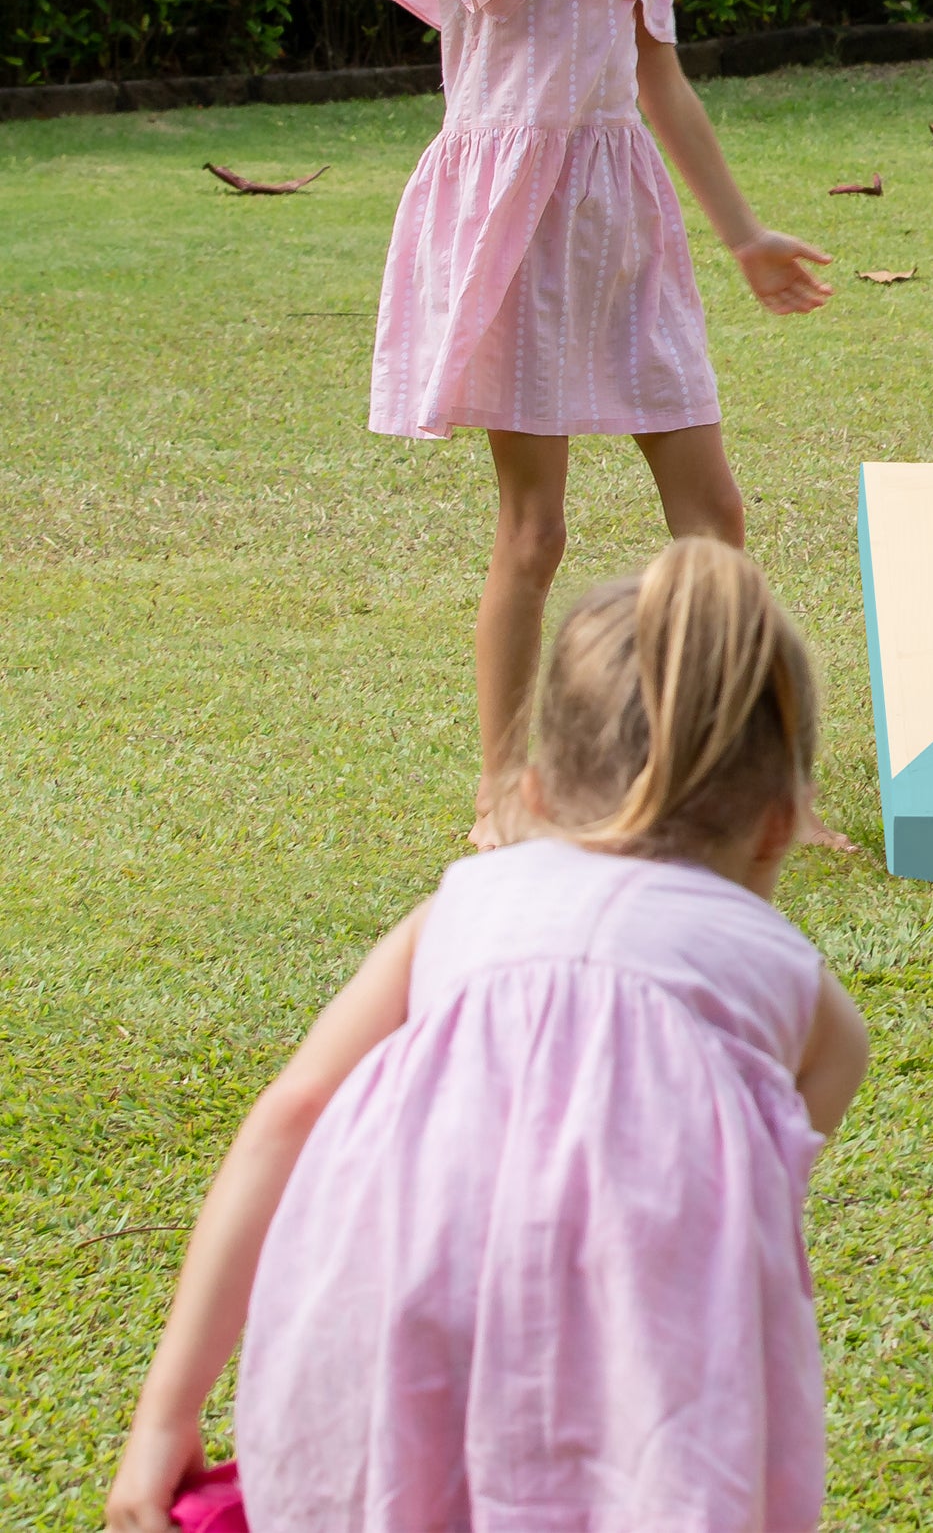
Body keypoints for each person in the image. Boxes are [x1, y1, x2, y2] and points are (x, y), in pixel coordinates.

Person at [104, 539, 870, 1533]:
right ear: (783, 822)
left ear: (538, 792)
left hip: (392, 1317)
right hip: (639, 1390)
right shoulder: (795, 984)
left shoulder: (465, 902)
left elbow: (291, 1113)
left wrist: (164, 1411)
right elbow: (744, 1217)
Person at [326, 0, 835, 846]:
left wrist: (747, 236)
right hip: (517, 248)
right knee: (534, 529)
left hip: (625, 238)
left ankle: (765, 784)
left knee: (715, 515)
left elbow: (663, 90)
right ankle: (508, 792)